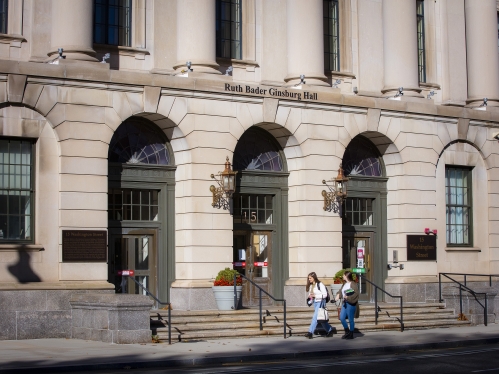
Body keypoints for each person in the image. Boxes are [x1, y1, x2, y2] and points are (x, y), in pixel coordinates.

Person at [304, 272, 334, 339]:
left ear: (314, 277)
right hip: (315, 302)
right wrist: (310, 298)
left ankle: (310, 332)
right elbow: (311, 295)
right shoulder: (312, 285)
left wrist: (315, 295)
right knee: (321, 318)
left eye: (310, 278)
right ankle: (330, 330)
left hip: (320, 302)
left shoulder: (320, 284)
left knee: (315, 317)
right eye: (308, 278)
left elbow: (325, 294)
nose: (309, 280)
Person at [334, 271, 359, 339]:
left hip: (350, 303)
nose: (342, 276)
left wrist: (348, 297)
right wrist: (335, 299)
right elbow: (340, 292)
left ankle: (351, 334)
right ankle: (347, 331)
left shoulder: (353, 284)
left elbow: (356, 294)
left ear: (346, 276)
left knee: (351, 319)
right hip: (344, 303)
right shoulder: (344, 284)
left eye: (343, 275)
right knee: (342, 318)